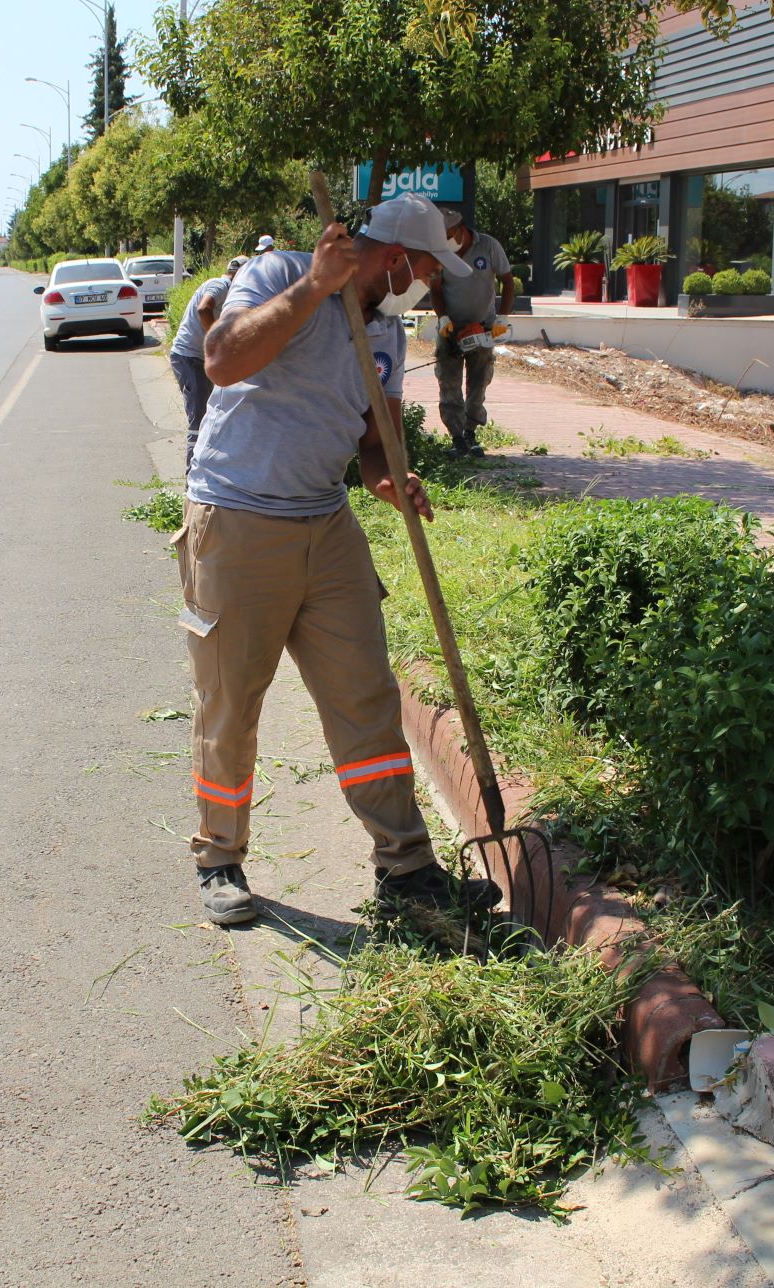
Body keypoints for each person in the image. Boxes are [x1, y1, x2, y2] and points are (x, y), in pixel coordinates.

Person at [180, 193, 499, 926]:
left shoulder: (386, 330)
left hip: (325, 523)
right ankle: (219, 859)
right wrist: (315, 286)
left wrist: (387, 470)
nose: (431, 280)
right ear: (394, 259)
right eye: (425, 265)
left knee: (365, 699)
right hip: (236, 519)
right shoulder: (277, 274)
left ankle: (408, 871)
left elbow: (375, 426)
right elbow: (223, 361)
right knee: (231, 704)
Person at [430, 209, 516, 458]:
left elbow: (507, 281)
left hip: (483, 328)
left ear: (460, 231)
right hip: (451, 329)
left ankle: (470, 432)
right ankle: (457, 437)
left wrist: (503, 317)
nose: (445, 240)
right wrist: (443, 318)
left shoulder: (488, 246)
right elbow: (435, 288)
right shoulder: (441, 252)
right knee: (449, 383)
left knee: (479, 382)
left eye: (447, 235)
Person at [168, 255, 248, 471]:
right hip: (189, 357)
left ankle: (204, 468)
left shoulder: (226, 288)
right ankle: (192, 477)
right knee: (199, 416)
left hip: (194, 357)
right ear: (240, 274)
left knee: (207, 414)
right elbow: (204, 309)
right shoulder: (222, 285)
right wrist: (217, 340)